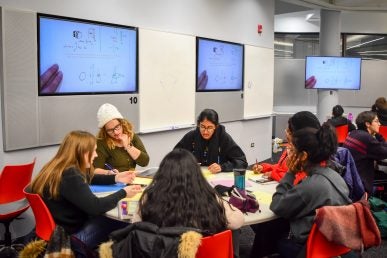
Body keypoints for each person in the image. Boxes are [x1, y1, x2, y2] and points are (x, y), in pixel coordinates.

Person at [30, 130, 142, 255]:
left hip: (55, 230)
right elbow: (95, 207)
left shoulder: (55, 168)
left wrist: (116, 178)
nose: (96, 155)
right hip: (71, 237)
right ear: (82, 152)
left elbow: (88, 177)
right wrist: (123, 192)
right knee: (124, 222)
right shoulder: (70, 175)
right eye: (93, 151)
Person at [134, 148, 244, 255]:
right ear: (196, 173)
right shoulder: (208, 196)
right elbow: (237, 221)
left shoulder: (150, 197)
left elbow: (137, 225)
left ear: (162, 173)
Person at [270, 123, 351, 258]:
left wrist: (290, 173)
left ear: (303, 156)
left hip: (308, 248)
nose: (290, 153)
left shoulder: (311, 186)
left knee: (269, 229)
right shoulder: (335, 176)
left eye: (292, 150)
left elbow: (277, 205)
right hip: (334, 246)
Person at [174, 109, 247, 173]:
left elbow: (242, 162)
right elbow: (174, 156)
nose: (205, 132)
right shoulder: (191, 136)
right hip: (195, 177)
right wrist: (187, 163)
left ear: (216, 126)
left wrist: (222, 167)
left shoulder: (223, 137)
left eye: (209, 127)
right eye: (202, 127)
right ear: (198, 125)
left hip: (218, 178)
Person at [93, 103, 149, 175]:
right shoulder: (101, 142)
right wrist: (108, 172)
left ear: (122, 123)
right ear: (104, 130)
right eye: (110, 130)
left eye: (117, 127)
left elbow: (145, 162)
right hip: (113, 181)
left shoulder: (131, 136)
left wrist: (128, 147)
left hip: (131, 178)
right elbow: (94, 170)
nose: (115, 132)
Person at [343, 111, 387, 194]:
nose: (380, 124)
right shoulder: (367, 138)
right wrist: (379, 136)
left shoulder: (353, 133)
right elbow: (384, 153)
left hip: (351, 177)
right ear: (367, 124)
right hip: (361, 181)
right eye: (376, 121)